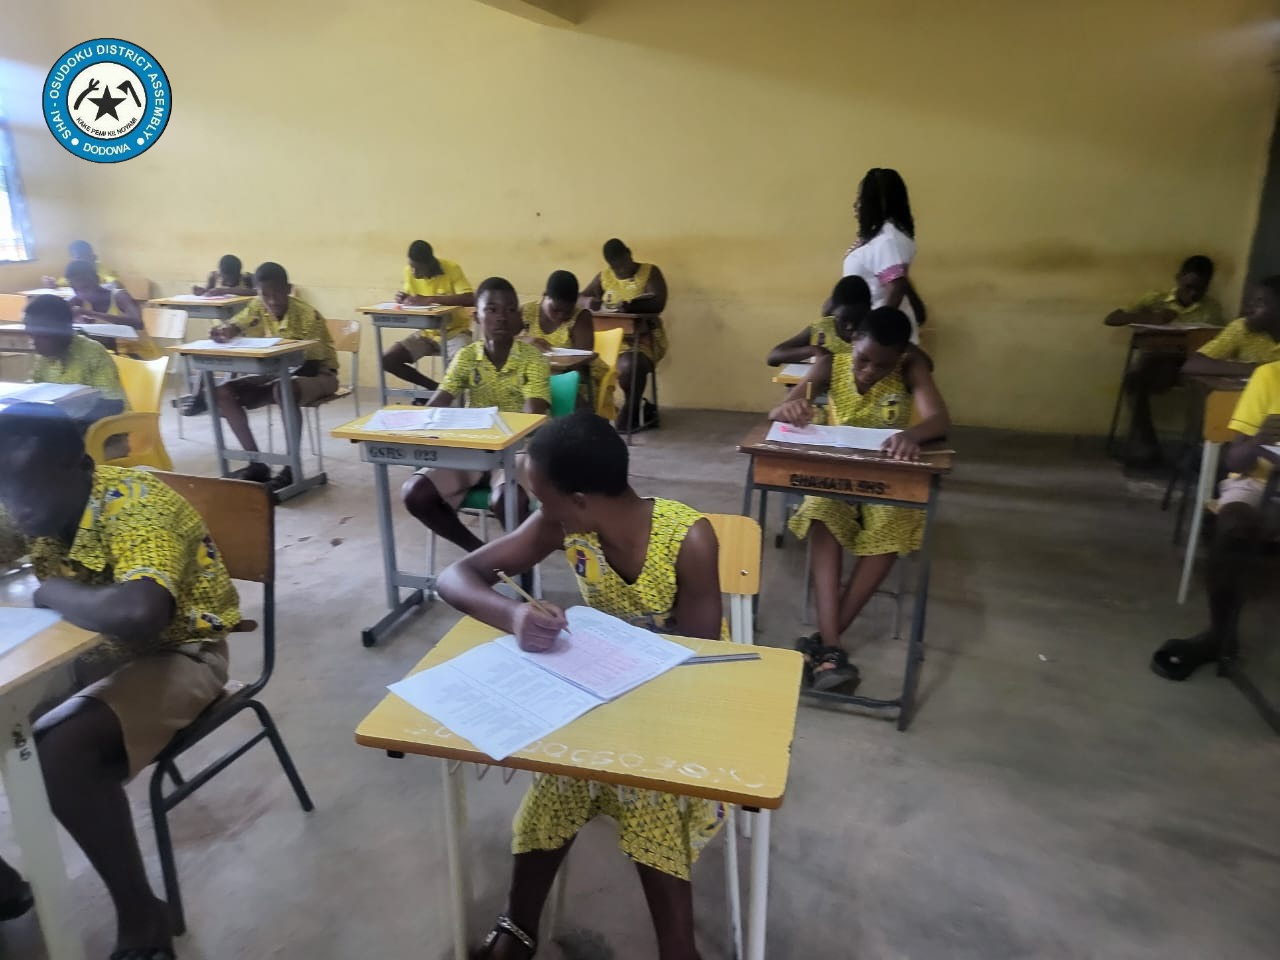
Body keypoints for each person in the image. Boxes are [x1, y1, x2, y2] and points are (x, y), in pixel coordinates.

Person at [436, 411, 723, 960]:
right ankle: (519, 928)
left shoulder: (689, 540)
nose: (539, 511)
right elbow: (455, 577)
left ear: (580, 500)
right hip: (601, 699)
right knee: (556, 785)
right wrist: (514, 616)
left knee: (646, 797)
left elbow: (699, 668)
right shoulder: (564, 525)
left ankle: (678, 949)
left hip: (680, 714)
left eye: (543, 499)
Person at [0, 403, 239, 959]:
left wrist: (53, 591)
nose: (17, 504)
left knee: (59, 754)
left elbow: (140, 613)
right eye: (4, 489)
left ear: (81, 468)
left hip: (182, 652)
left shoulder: (136, 506)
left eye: (28, 487)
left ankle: (141, 915)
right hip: (87, 653)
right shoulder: (29, 502)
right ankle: (5, 888)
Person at [772, 307, 950, 691]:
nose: (869, 371)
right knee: (821, 509)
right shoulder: (829, 364)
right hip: (836, 475)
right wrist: (792, 407)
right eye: (863, 359)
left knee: (894, 522)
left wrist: (912, 436)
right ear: (852, 341)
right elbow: (777, 412)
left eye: (882, 365)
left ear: (900, 356)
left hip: (885, 479)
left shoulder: (910, 367)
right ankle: (831, 647)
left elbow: (939, 420)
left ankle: (825, 644)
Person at [1151, 361, 1280, 680]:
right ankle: (1220, 636)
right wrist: (1258, 440)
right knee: (1232, 526)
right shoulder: (1271, 376)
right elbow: (1235, 460)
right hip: (1259, 481)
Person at [401, 277, 550, 553]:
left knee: (506, 500)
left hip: (516, 450)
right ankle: (481, 554)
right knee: (415, 493)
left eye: (510, 310)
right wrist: (421, 420)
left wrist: (505, 435)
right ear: (477, 317)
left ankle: (521, 571)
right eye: (491, 309)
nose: (501, 317)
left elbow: (533, 415)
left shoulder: (532, 359)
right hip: (472, 448)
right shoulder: (467, 356)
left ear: (518, 317)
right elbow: (440, 401)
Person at [211, 262, 338, 489]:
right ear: (257, 292)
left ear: (288, 289)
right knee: (223, 392)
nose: (272, 301)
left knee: (283, 390)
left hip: (321, 375)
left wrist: (268, 380)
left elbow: (312, 365)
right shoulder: (257, 305)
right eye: (265, 294)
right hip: (277, 373)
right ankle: (256, 462)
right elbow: (237, 324)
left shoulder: (308, 315)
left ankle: (291, 468)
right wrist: (226, 331)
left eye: (278, 293)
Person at [1104, 255, 1223, 465]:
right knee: (1134, 382)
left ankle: (1193, 451)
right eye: (1189, 287)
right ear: (1178, 278)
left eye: (1200, 289)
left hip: (1190, 363)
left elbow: (1214, 340)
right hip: (1158, 360)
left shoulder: (1211, 309)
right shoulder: (1155, 300)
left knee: (1206, 392)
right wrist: (1150, 318)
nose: (1193, 294)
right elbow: (1112, 318)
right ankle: (1148, 446)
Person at [581, 239, 669, 431]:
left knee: (629, 365)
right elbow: (579, 298)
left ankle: (632, 406)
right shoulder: (604, 277)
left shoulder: (649, 272)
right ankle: (597, 412)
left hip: (643, 340)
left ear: (629, 253)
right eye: (616, 268)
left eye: (623, 264)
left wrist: (633, 306)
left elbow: (659, 302)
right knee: (582, 364)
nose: (620, 271)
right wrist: (588, 301)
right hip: (609, 343)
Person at [841, 168, 927, 339]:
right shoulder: (882, 236)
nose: (855, 205)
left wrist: (874, 333)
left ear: (875, 202)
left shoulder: (888, 239)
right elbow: (895, 278)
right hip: (871, 332)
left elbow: (896, 286)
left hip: (882, 341)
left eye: (860, 199)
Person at [381, 240, 476, 392]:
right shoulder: (409, 272)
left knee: (462, 363)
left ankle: (453, 398)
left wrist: (430, 299)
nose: (413, 271)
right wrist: (404, 298)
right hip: (426, 333)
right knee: (388, 360)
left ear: (429, 263)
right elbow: (412, 298)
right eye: (411, 266)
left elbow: (470, 298)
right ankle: (436, 390)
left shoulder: (452, 269)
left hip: (454, 332)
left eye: (417, 268)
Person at [24, 293, 129, 427]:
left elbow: (114, 404)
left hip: (100, 430)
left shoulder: (93, 353)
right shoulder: (44, 357)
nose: (34, 343)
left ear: (64, 330)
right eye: (31, 336)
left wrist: (71, 426)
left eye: (42, 336)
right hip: (59, 425)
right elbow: (33, 392)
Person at [521, 269, 605, 408]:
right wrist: (525, 340)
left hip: (575, 380)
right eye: (555, 310)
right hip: (535, 377)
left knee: (555, 392)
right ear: (545, 296)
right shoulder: (527, 312)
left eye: (567, 311)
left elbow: (580, 361)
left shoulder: (581, 317)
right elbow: (504, 340)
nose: (561, 316)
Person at [1181, 275, 1280, 377]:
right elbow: (1194, 364)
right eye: (1251, 302)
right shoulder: (1241, 328)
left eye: (1259, 304)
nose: (1248, 309)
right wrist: (1260, 370)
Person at [63, 259, 156, 361]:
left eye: (85, 287)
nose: (81, 293)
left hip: (138, 355)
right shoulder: (78, 300)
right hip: (109, 357)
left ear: (96, 279)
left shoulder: (119, 296)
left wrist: (91, 314)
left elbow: (138, 322)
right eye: (76, 289)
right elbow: (57, 314)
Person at [767, 276, 872, 366]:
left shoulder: (875, 331)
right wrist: (813, 350)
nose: (850, 326)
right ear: (834, 311)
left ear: (869, 311)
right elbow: (773, 357)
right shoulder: (824, 327)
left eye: (858, 319)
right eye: (843, 319)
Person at [43, 239, 118, 288]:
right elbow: (65, 281)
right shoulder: (74, 269)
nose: (81, 260)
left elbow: (115, 284)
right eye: (78, 258)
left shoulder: (100, 268)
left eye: (84, 256)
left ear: (91, 256)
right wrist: (53, 284)